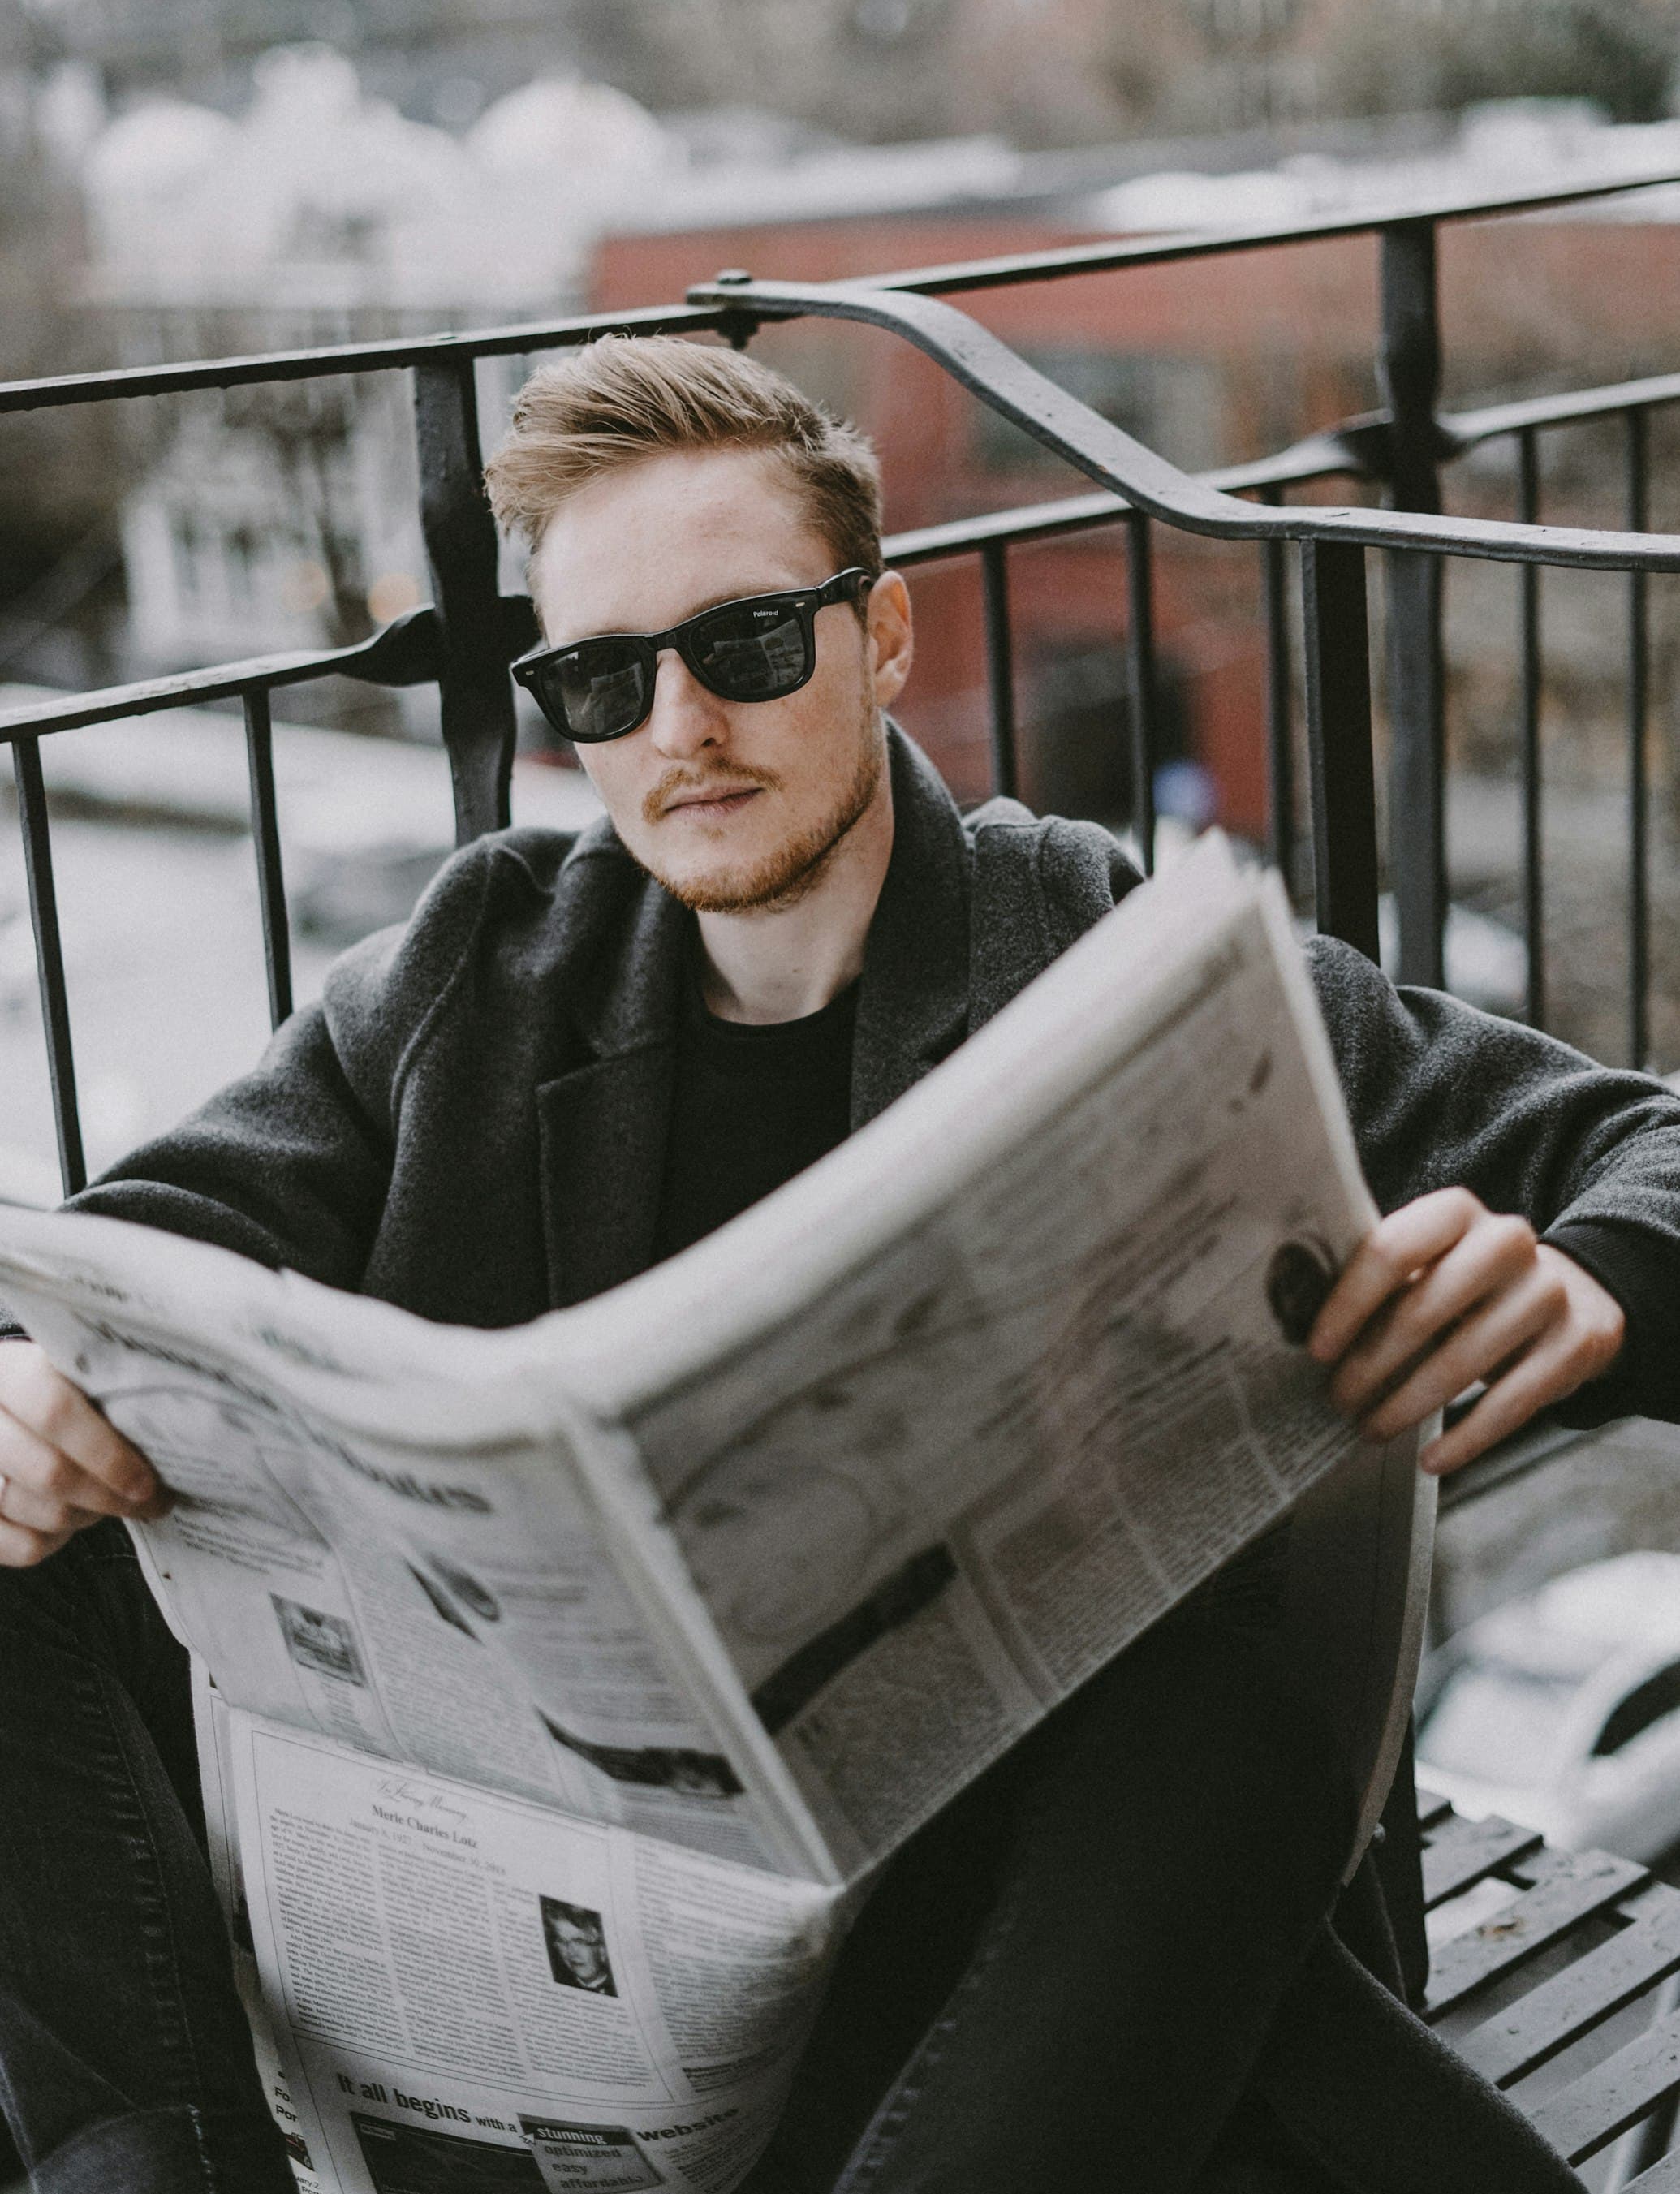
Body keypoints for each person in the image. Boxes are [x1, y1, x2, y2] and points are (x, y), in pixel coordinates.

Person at [0, 336, 1673, 2194]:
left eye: (747, 643)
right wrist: (30, 1382)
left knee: (1217, 1681)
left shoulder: (1104, 949)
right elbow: (137, 1248)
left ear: (879, 640)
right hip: (583, 1941)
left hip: (1033, 1938)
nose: (677, 729)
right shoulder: (480, 969)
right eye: (601, 678)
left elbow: (1648, 1146)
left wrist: (1596, 1269)